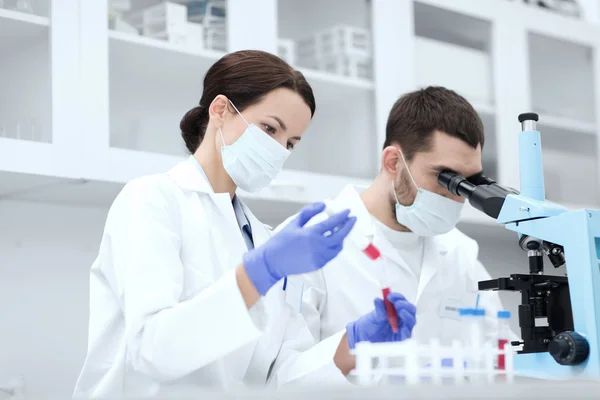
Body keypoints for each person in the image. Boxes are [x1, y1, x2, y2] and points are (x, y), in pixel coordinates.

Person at [73, 50, 416, 398]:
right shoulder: (152, 200)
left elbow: (276, 381)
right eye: (270, 128)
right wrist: (259, 273)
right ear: (220, 110)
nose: (279, 150)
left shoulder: (265, 239)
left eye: (291, 143)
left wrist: (353, 344)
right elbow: (152, 349)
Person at [277, 86, 518, 351]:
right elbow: (281, 375)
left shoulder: (460, 253)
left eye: (468, 182)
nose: (456, 197)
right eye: (445, 177)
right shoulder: (308, 241)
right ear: (393, 162)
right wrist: (349, 348)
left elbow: (501, 353)